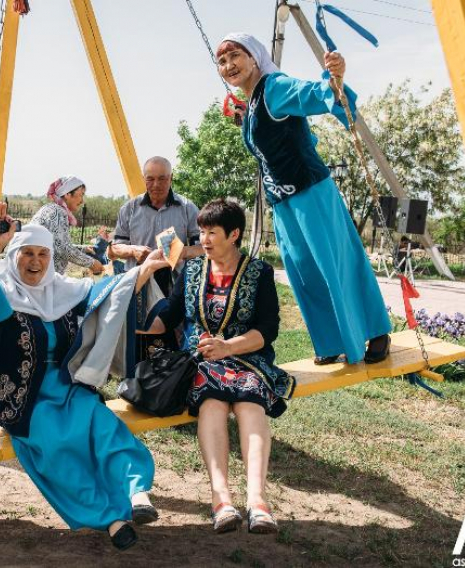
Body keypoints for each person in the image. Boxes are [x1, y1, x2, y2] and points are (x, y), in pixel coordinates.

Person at [0, 204, 169, 550]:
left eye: (43, 254)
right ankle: (111, 520)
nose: (35, 262)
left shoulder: (65, 291)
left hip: (66, 385)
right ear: (15, 255)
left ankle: (136, 492)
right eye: (27, 254)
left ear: (51, 257)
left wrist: (148, 267)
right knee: (56, 448)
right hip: (24, 398)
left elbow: (113, 290)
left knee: (101, 425)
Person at [216, 32, 391, 365]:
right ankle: (331, 340)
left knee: (338, 264)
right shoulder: (254, 102)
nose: (228, 65)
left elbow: (310, 94)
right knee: (306, 274)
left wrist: (334, 79)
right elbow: (290, 134)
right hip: (283, 204)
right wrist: (246, 118)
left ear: (254, 57)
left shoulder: (275, 87)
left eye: (235, 56)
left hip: (311, 193)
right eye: (222, 61)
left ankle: (377, 330)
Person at [140, 199, 294, 534]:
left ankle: (257, 501)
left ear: (234, 234)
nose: (204, 240)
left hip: (247, 357)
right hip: (202, 360)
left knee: (251, 402)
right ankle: (220, 500)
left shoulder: (259, 272)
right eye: (201, 232)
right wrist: (134, 326)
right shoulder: (193, 270)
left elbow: (268, 330)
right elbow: (170, 315)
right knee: (211, 402)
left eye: (212, 233)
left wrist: (228, 347)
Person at [110, 156, 204, 363]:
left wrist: (182, 252)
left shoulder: (187, 207)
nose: (156, 185)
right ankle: (133, 375)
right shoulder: (130, 208)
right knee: (136, 334)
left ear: (171, 178)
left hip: (174, 285)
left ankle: (173, 377)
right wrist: (132, 251)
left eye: (162, 179)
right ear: (144, 179)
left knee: (175, 337)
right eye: (150, 179)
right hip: (138, 282)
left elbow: (203, 248)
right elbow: (113, 248)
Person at [30, 176, 104, 275]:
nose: (82, 201)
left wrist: (82, 249)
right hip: (40, 274)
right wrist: (92, 263)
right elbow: (63, 249)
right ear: (68, 194)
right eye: (81, 195)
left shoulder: (51, 209)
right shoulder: (57, 212)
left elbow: (57, 244)